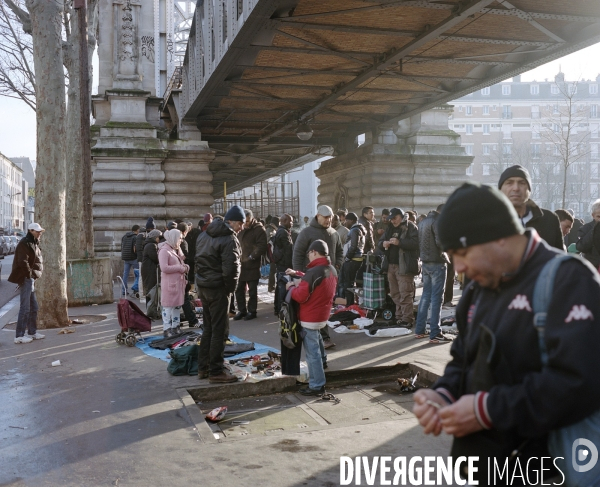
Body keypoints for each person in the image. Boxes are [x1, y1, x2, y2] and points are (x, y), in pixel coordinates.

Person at [413, 182, 600, 484]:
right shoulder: (478, 288)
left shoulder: (568, 280)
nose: (459, 267)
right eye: (452, 258)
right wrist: (443, 394)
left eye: (462, 253)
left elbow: (580, 382)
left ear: (498, 237)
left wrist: (486, 410)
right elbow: (464, 358)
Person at [195, 206, 243, 383]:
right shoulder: (229, 238)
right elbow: (232, 270)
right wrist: (229, 290)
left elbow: (197, 261)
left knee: (208, 328)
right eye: (240, 224)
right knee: (219, 330)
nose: (241, 228)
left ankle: (203, 367)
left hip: (204, 286)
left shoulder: (204, 235)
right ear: (232, 222)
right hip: (218, 289)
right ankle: (215, 371)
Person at [286, 240, 338, 396]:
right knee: (318, 339)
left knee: (311, 351)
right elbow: (315, 280)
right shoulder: (331, 269)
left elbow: (301, 296)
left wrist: (291, 287)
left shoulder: (314, 273)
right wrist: (298, 275)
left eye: (309, 253)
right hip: (322, 314)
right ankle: (323, 363)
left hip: (310, 317)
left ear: (314, 252)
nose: (308, 256)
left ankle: (317, 385)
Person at [292, 205, 343, 349]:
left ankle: (321, 337)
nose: (329, 220)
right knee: (313, 307)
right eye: (326, 217)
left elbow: (340, 251)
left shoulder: (334, 233)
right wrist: (297, 275)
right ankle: (316, 337)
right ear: (318, 216)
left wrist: (338, 265)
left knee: (325, 306)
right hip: (310, 277)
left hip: (329, 278)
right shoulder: (306, 233)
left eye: (330, 217)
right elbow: (297, 253)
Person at [498, 164, 563, 250]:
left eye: (522, 183)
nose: (516, 188)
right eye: (509, 183)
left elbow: (559, 258)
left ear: (529, 190)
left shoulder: (550, 219)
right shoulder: (487, 221)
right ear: (500, 189)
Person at [414, 204, 452, 344]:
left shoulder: (423, 221)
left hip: (426, 261)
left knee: (425, 296)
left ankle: (420, 330)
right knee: (437, 298)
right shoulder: (438, 222)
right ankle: (435, 333)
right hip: (437, 262)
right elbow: (440, 242)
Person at [380, 208, 419, 327]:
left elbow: (416, 243)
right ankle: (399, 317)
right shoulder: (390, 228)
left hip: (404, 266)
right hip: (391, 265)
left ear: (401, 216)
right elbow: (380, 242)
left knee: (405, 293)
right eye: (391, 219)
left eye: (394, 218)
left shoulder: (411, 226)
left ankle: (407, 319)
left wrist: (400, 242)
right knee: (395, 294)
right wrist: (383, 244)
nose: (392, 221)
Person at [9, 223, 45, 344]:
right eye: (37, 231)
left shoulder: (33, 242)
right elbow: (22, 261)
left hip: (30, 278)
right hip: (26, 278)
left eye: (40, 231)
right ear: (30, 231)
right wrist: (29, 275)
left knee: (33, 307)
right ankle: (19, 335)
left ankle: (32, 332)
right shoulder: (25, 243)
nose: (40, 233)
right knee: (25, 308)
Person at [234, 209, 267, 321]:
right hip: (241, 264)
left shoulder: (258, 229)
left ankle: (252, 311)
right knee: (239, 289)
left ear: (252, 219)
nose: (245, 224)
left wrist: (252, 256)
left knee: (252, 290)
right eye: (244, 222)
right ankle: (242, 310)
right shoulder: (241, 229)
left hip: (252, 264)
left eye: (247, 221)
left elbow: (262, 246)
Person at [157, 229, 189, 337]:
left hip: (177, 284)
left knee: (177, 306)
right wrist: (180, 268)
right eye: (179, 238)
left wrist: (185, 266)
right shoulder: (164, 250)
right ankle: (167, 329)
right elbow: (164, 268)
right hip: (170, 284)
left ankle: (176, 326)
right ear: (174, 238)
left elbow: (182, 259)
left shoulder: (173, 249)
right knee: (168, 307)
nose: (181, 240)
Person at [337, 212, 365, 305]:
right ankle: (351, 304)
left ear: (351, 220)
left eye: (347, 220)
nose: (345, 222)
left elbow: (353, 246)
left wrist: (348, 257)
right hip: (356, 259)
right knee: (350, 283)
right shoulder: (359, 229)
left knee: (348, 284)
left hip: (353, 259)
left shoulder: (354, 230)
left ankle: (349, 305)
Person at [273, 213, 294, 315]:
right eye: (291, 221)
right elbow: (288, 250)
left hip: (281, 263)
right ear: (285, 221)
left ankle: (277, 308)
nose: (292, 223)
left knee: (280, 286)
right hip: (284, 264)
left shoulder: (280, 231)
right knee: (282, 286)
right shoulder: (283, 233)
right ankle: (281, 308)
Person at [576, 199, 600, 268]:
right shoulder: (585, 228)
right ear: (593, 215)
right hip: (592, 268)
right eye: (598, 216)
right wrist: (595, 230)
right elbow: (581, 247)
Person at [141, 229, 162, 306]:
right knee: (151, 290)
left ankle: (151, 307)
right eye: (158, 237)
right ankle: (150, 308)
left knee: (150, 289)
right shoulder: (151, 245)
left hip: (149, 270)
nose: (159, 239)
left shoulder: (149, 244)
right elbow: (156, 258)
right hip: (149, 271)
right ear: (154, 237)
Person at [121, 224, 140, 296]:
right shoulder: (135, 237)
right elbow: (135, 249)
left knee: (125, 274)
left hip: (126, 257)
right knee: (137, 274)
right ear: (137, 230)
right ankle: (136, 289)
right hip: (133, 257)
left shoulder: (124, 236)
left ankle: (124, 290)